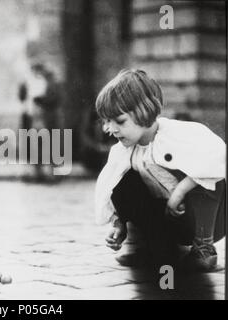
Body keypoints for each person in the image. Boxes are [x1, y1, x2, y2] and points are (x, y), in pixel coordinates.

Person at [94, 69, 225, 272]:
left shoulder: (179, 134)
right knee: (121, 182)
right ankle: (153, 248)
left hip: (204, 219)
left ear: (144, 111)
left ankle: (204, 248)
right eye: (106, 121)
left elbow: (216, 159)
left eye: (119, 121)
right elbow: (110, 189)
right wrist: (119, 224)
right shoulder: (124, 151)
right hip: (168, 220)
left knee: (211, 177)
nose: (110, 129)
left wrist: (180, 190)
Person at [18, 63, 62, 182]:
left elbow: (55, 98)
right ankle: (37, 172)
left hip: (46, 118)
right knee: (33, 144)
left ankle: (51, 173)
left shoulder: (50, 82)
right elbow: (22, 97)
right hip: (32, 118)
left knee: (49, 144)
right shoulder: (27, 82)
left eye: (38, 70)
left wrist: (41, 100)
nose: (36, 73)